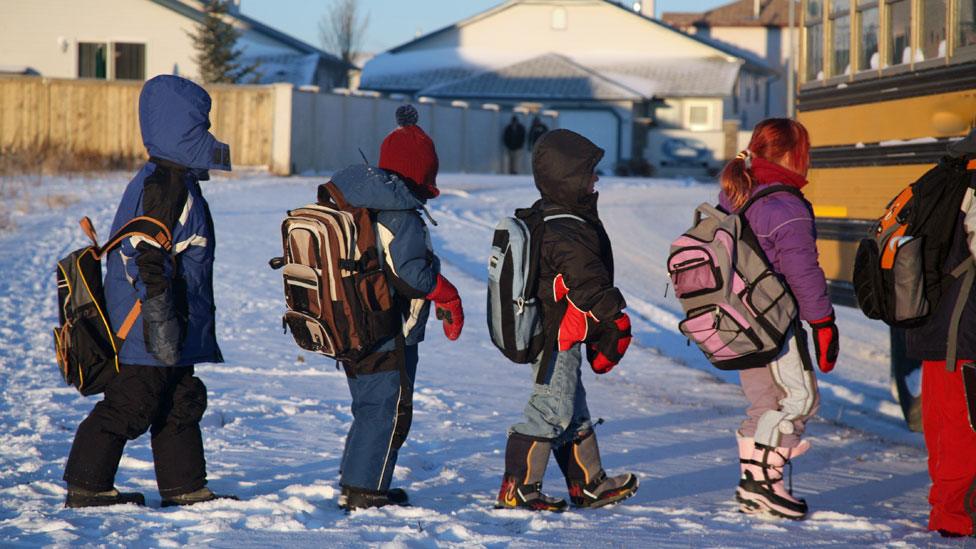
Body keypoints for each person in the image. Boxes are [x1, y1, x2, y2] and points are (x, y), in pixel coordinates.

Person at [63, 75, 234, 508]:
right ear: (183, 126)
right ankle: (87, 485)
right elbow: (148, 256)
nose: (207, 130)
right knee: (131, 402)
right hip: (150, 320)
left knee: (180, 399)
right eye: (201, 122)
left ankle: (184, 486)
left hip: (171, 318)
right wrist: (161, 324)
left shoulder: (170, 177)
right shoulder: (165, 186)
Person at [495, 129, 638, 512]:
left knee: (572, 408)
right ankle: (518, 487)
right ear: (569, 176)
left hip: (561, 333)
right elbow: (588, 285)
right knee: (551, 408)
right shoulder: (566, 229)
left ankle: (589, 484)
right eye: (589, 173)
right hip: (556, 336)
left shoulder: (553, 216)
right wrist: (616, 322)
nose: (595, 180)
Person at [332, 105, 465, 511]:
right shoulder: (400, 214)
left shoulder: (361, 202)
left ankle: (361, 481)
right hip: (387, 328)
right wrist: (448, 294)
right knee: (387, 410)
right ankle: (365, 491)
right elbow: (411, 276)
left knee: (371, 406)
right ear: (422, 174)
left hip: (353, 320)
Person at [717, 118, 839, 520]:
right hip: (774, 327)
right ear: (791, 155)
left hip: (736, 323)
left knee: (764, 403)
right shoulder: (784, 205)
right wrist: (822, 323)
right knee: (798, 399)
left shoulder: (734, 193)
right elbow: (803, 273)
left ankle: (757, 488)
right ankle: (763, 484)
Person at [904, 134, 976, 538]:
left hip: (938, 325)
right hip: (962, 331)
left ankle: (950, 516)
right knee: (963, 432)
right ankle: (955, 520)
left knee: (947, 428)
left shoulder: (945, 174)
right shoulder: (971, 183)